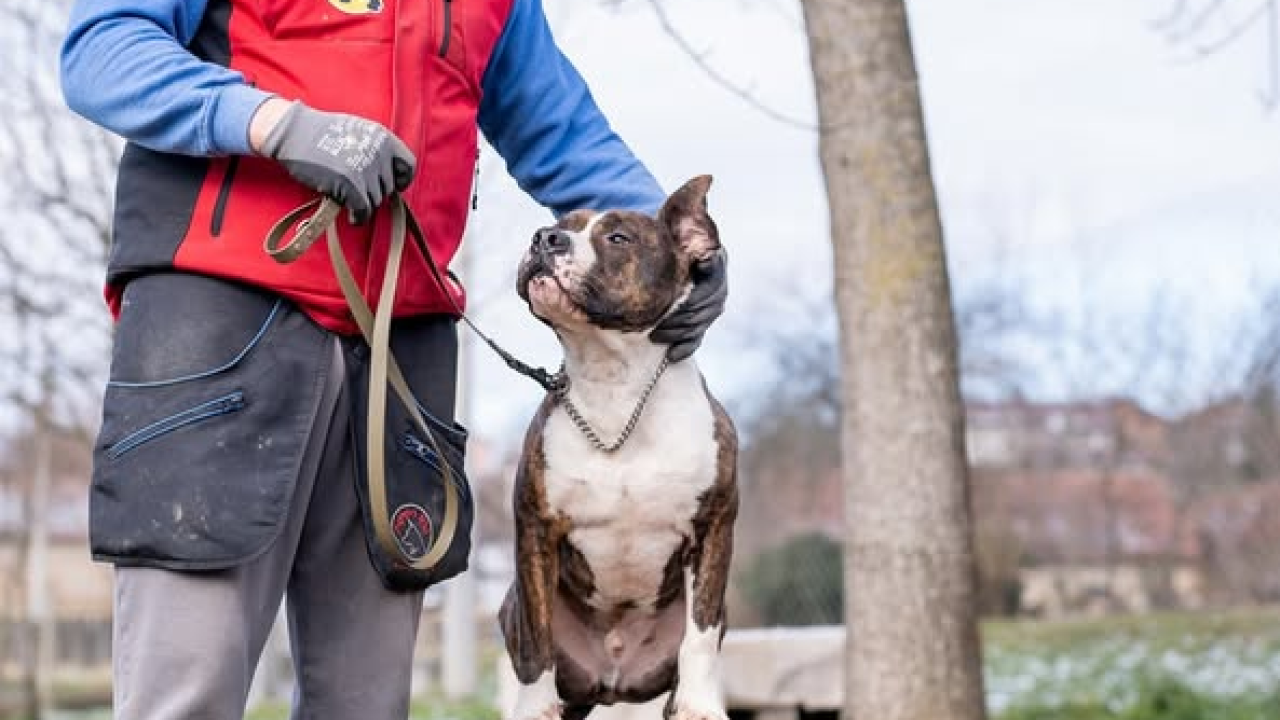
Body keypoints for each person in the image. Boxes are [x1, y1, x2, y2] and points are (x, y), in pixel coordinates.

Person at [59, 0, 727, 717]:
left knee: (368, 702)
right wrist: (275, 124)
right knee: (188, 685)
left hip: (402, 344)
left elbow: (559, 130)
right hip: (220, 323)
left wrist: (681, 255)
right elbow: (103, 48)